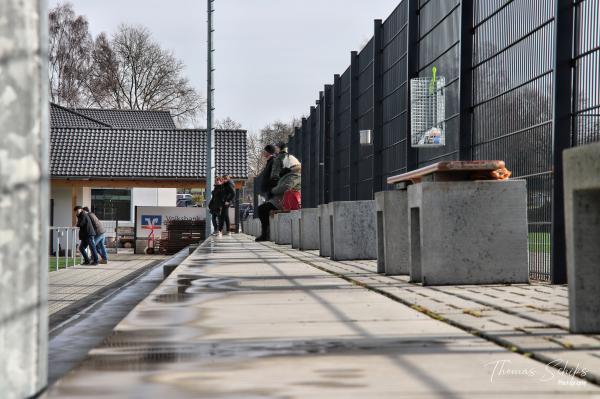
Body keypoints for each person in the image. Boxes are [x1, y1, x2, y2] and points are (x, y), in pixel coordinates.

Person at [256, 158, 301, 242]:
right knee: (263, 209)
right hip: (280, 199)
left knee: (262, 209)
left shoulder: (294, 175)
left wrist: (273, 190)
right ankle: (265, 233)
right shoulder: (290, 174)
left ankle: (265, 234)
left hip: (284, 201)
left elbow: (286, 187)